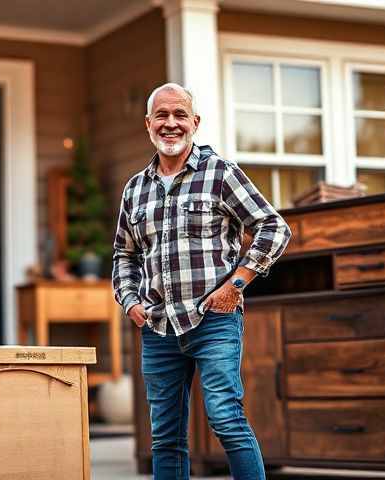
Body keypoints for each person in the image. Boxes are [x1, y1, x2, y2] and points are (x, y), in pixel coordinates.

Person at [111, 82, 291, 479]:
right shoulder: (135, 189)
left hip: (214, 321)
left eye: (179, 116)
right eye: (162, 115)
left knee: (226, 420)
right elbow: (124, 255)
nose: (170, 124)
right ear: (148, 124)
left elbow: (273, 227)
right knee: (165, 437)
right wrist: (131, 303)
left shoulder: (221, 173)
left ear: (195, 123)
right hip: (157, 327)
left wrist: (237, 284)